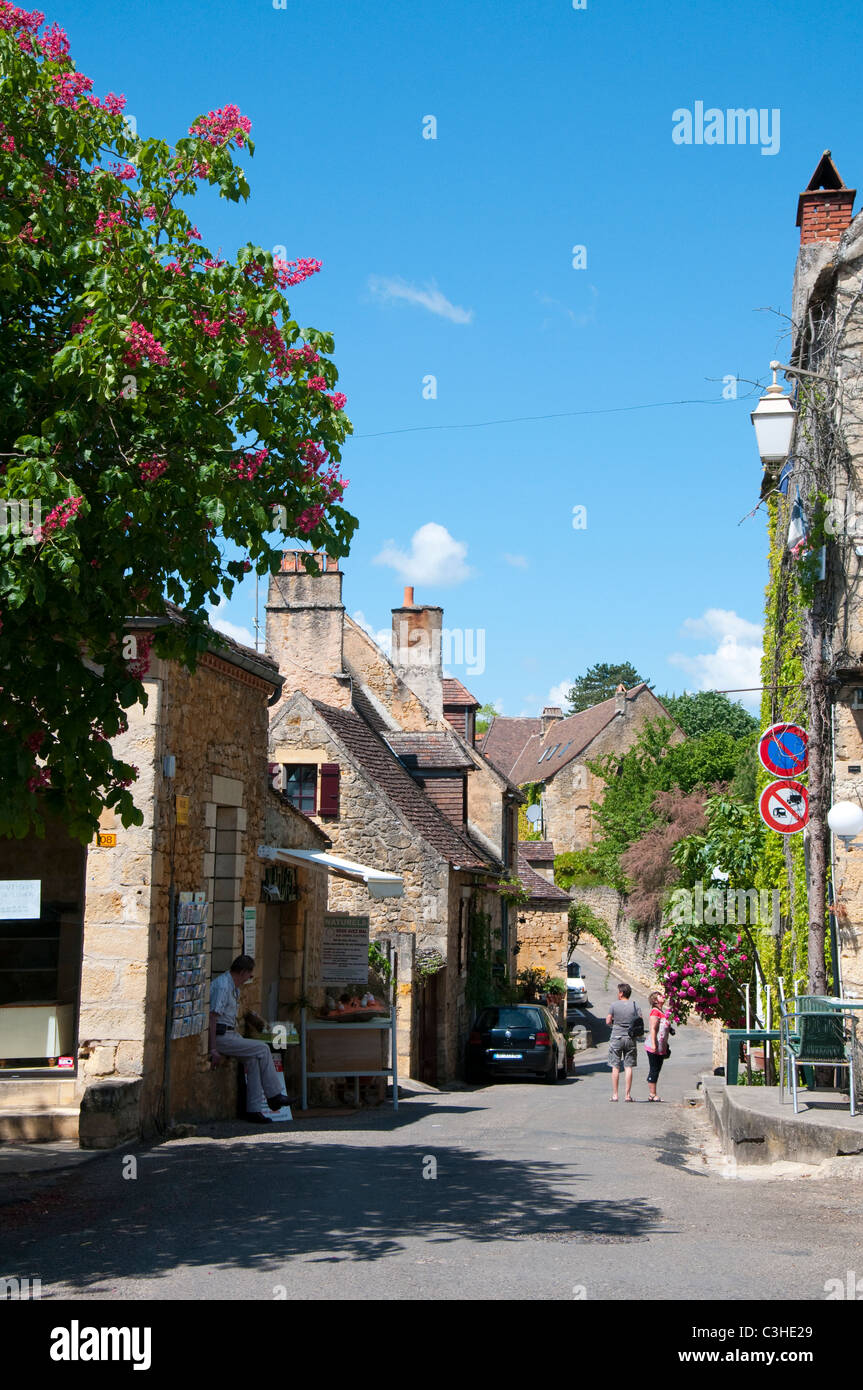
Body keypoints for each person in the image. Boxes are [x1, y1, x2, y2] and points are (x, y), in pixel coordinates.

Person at [208, 955, 290, 1123]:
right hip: (222, 1036)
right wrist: (213, 1048)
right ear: (243, 972)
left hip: (230, 1034)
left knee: (253, 1059)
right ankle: (274, 1095)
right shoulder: (223, 986)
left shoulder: (233, 987)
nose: (250, 978)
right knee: (263, 1048)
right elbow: (212, 1017)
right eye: (249, 974)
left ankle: (254, 1110)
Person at [606, 982, 642, 1102]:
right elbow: (640, 1021)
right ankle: (627, 1095)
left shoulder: (614, 1005)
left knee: (615, 1066)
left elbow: (608, 1021)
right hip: (630, 1038)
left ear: (621, 993)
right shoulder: (635, 1005)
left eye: (618, 992)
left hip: (616, 1036)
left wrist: (613, 1025)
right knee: (628, 1066)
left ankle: (615, 1095)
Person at [645, 990, 672, 1101]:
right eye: (660, 996)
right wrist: (654, 1045)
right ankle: (652, 1094)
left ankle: (653, 1093)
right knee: (654, 1068)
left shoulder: (661, 1011)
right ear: (655, 1000)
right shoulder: (655, 1012)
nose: (663, 997)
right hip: (654, 1045)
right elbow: (653, 1029)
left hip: (661, 1045)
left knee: (657, 1068)